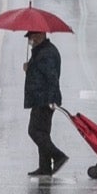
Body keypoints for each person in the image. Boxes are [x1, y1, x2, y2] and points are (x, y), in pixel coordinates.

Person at [23, 30, 68, 176]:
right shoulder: (40, 51)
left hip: (44, 99)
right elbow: (38, 73)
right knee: (43, 133)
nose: (30, 40)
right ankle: (45, 167)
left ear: (40, 35)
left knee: (34, 131)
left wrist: (50, 100)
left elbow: (52, 78)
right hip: (40, 98)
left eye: (32, 37)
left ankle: (58, 156)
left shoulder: (46, 54)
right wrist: (28, 68)